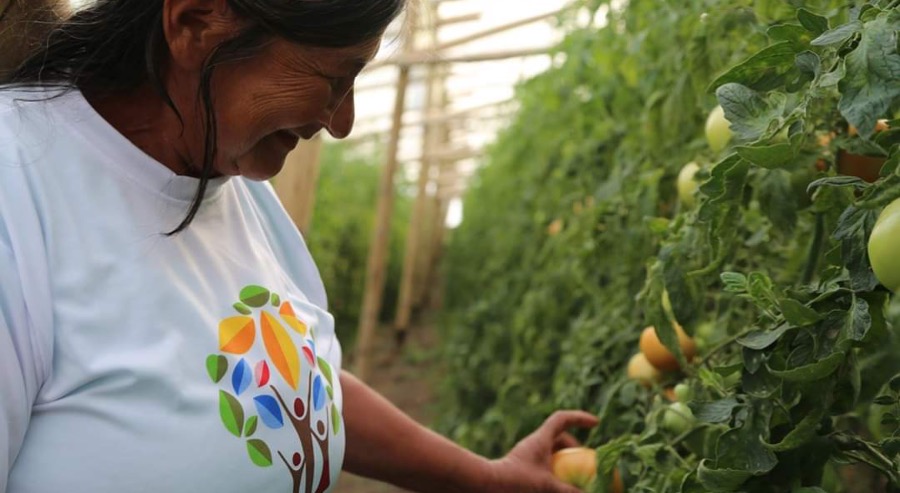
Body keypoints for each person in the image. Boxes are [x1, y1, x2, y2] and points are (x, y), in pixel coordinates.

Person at [0, 1, 599, 492]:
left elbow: (299, 383)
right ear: (195, 23)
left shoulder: (238, 187)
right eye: (334, 79)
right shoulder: (19, 187)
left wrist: (490, 479)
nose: (341, 122)